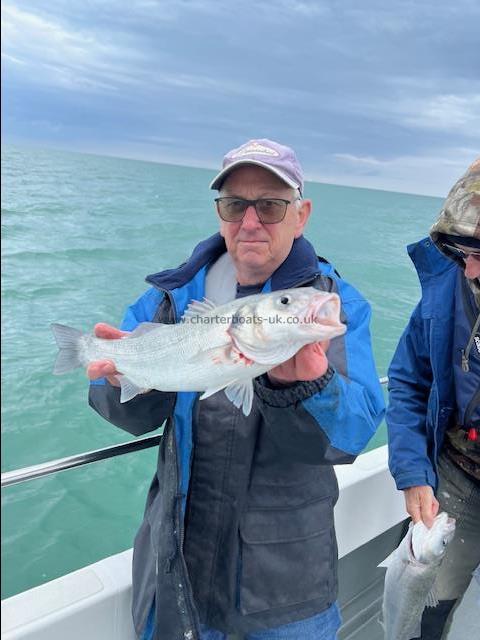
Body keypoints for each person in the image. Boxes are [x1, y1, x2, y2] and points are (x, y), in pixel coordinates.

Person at [88, 138, 385, 640]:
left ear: (301, 214)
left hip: (285, 587)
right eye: (234, 205)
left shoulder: (330, 304)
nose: (250, 222)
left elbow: (353, 433)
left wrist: (309, 389)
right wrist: (121, 380)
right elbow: (123, 412)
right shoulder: (170, 296)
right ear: (220, 213)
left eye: (270, 205)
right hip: (175, 565)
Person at [386, 158, 480, 640]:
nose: (472, 266)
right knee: (431, 594)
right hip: (459, 470)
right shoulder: (447, 289)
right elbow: (406, 381)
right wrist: (413, 471)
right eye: (462, 248)